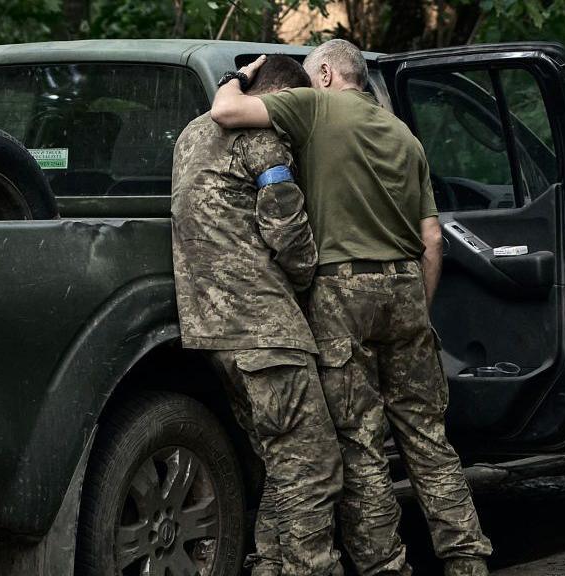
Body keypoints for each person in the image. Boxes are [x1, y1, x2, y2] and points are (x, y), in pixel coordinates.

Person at [209, 41, 493, 576]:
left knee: (361, 444)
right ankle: (467, 559)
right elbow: (433, 240)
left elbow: (226, 111)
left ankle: (385, 566)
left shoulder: (317, 106)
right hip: (407, 290)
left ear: (323, 73)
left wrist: (241, 74)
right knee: (430, 440)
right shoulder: (406, 137)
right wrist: (417, 314)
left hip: (341, 293)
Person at [171, 55, 343, 576]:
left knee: (277, 462)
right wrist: (310, 274)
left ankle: (271, 564)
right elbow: (287, 231)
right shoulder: (263, 138)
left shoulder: (189, 136)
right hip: (264, 329)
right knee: (313, 466)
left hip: (210, 331)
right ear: (281, 99)